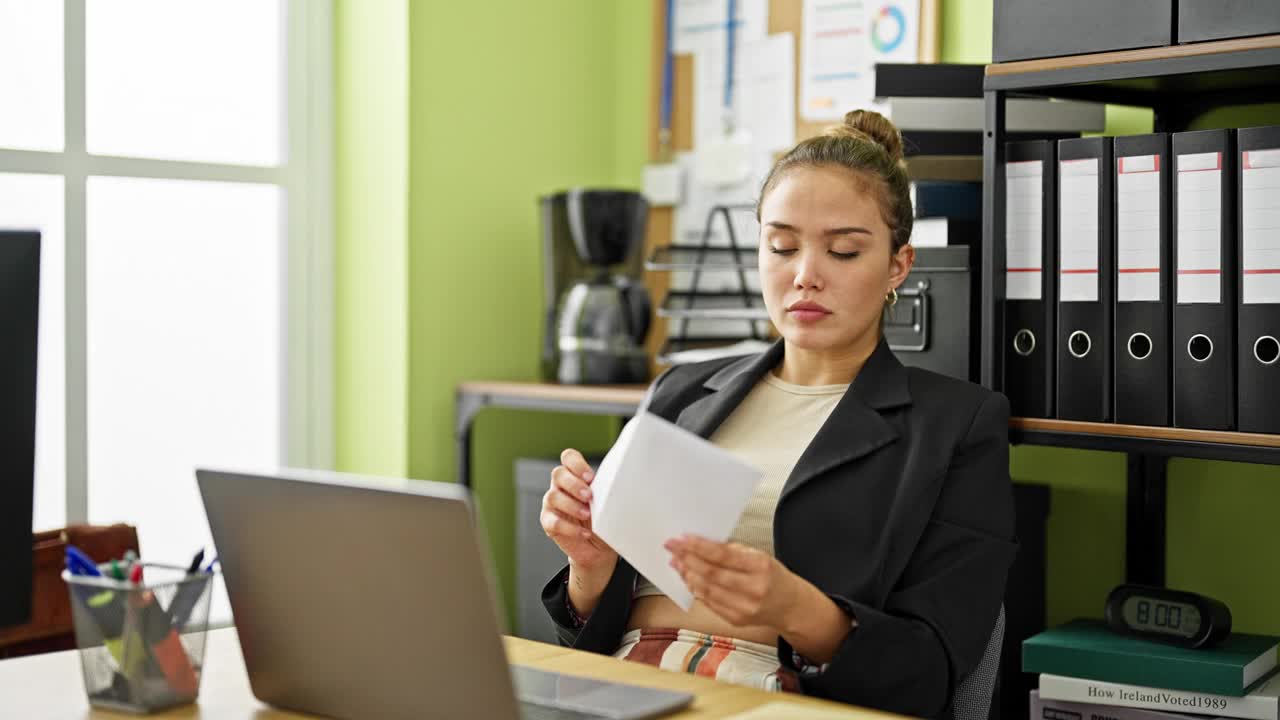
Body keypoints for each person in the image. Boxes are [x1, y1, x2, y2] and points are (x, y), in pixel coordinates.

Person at [539, 109, 1016, 718]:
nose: (805, 275)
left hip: (777, 698)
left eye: (843, 252)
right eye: (782, 246)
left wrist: (799, 610)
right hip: (622, 688)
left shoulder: (956, 425)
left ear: (899, 265)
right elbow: (587, 639)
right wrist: (590, 566)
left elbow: (931, 679)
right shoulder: (682, 391)